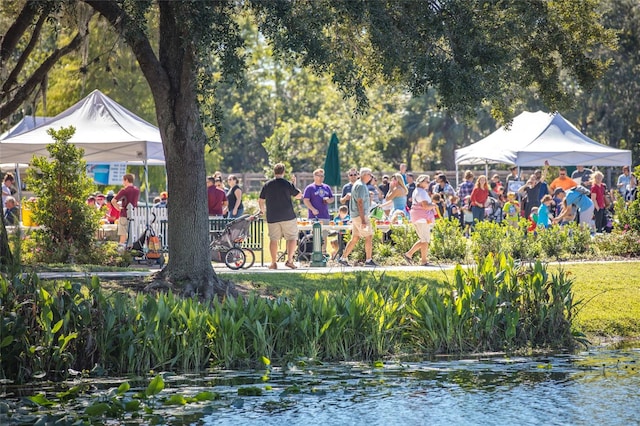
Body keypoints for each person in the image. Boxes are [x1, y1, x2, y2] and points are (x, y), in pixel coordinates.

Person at [258, 163, 303, 270]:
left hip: (272, 216)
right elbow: (298, 196)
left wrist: (262, 210)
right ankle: (290, 261)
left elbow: (260, 200)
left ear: (274, 172)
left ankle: (273, 263)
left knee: (273, 240)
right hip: (288, 215)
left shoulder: (267, 185)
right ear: (283, 172)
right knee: (292, 238)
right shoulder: (287, 184)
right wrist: (294, 185)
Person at [337, 167, 377, 267]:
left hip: (355, 216)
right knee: (368, 236)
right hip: (360, 216)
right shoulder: (361, 186)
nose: (371, 177)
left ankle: (343, 258)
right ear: (365, 175)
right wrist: (363, 220)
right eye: (370, 175)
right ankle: (368, 261)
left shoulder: (358, 184)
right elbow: (360, 203)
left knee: (355, 237)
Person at [404, 175, 436, 266]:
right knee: (425, 239)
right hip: (422, 217)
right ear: (421, 182)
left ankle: (409, 254)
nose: (428, 183)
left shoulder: (417, 191)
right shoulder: (422, 192)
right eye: (427, 181)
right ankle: (423, 261)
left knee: (423, 239)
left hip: (417, 216)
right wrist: (433, 205)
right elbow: (425, 206)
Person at [112, 173, 140, 247]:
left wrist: (118, 208)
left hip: (124, 214)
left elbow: (113, 201)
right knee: (132, 233)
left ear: (126, 180)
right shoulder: (137, 190)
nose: (123, 182)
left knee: (123, 234)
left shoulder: (124, 190)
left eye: (123, 180)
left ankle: (121, 250)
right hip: (134, 214)